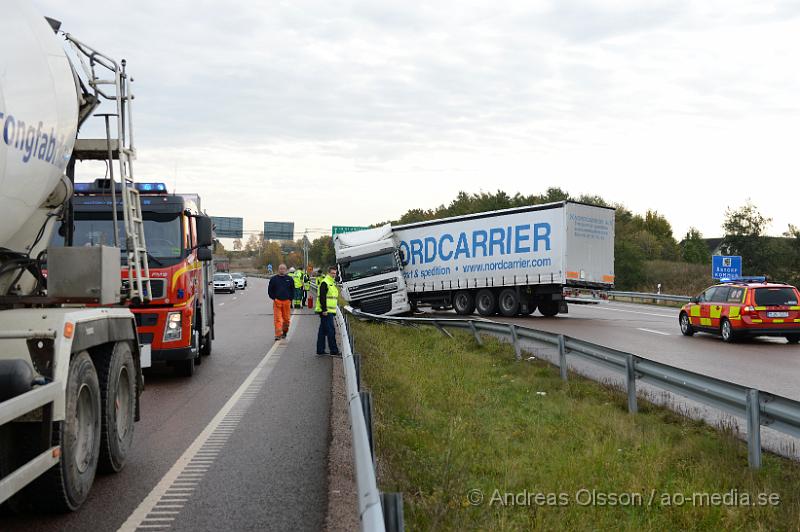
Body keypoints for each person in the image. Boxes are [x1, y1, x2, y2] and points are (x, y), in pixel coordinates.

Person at [315, 265, 340, 356]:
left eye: (335, 273)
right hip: (326, 311)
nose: (334, 275)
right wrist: (324, 309)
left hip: (329, 311)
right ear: (328, 272)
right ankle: (334, 351)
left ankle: (320, 350)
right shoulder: (325, 282)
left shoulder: (331, 282)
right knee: (331, 331)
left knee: (322, 331)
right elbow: (322, 297)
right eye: (332, 273)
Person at [268, 263, 294, 340]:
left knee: (286, 320)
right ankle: (278, 334)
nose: (282, 270)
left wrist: (290, 299)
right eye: (280, 269)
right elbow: (270, 290)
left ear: (286, 270)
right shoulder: (274, 279)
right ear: (278, 270)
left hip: (287, 302)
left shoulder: (289, 279)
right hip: (277, 302)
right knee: (278, 319)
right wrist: (274, 298)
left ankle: (285, 332)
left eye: (283, 269)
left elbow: (293, 290)